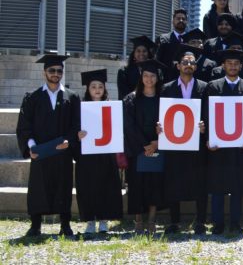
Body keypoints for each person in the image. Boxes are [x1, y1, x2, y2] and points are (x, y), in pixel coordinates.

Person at [16, 53, 79, 238]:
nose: (56, 73)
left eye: (59, 70)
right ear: (45, 72)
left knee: (64, 187)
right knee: (38, 187)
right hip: (41, 153)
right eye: (52, 70)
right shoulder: (33, 97)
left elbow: (76, 123)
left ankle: (65, 225)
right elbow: (24, 125)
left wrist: (69, 140)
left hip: (63, 153)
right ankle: (35, 225)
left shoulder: (72, 97)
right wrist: (31, 147)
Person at [204, 48, 243, 235]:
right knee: (217, 186)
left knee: (237, 186)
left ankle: (235, 222)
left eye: (236, 64)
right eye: (229, 63)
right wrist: (208, 139)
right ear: (223, 65)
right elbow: (207, 115)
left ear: (241, 66)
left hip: (239, 147)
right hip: (219, 146)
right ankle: (218, 223)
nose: (233, 66)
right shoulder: (213, 86)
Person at [159, 46, 210, 235]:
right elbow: (163, 115)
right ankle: (174, 222)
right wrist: (160, 126)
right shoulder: (167, 88)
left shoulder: (205, 88)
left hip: (197, 143)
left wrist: (206, 128)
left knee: (200, 182)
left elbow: (209, 114)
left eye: (192, 62)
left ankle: (200, 222)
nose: (188, 65)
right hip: (174, 143)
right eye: (185, 62)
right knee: (174, 181)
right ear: (178, 65)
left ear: (195, 67)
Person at [73, 69, 124, 236]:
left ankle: (103, 220)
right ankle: (90, 221)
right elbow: (73, 129)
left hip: (106, 154)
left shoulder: (111, 106)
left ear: (104, 89)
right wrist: (77, 135)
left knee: (106, 186)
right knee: (88, 187)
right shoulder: (80, 108)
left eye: (100, 86)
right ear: (88, 89)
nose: (96, 89)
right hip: (86, 155)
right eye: (93, 86)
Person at [122, 59, 166, 234]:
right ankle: (138, 221)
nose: (149, 79)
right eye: (146, 75)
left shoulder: (163, 99)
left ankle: (152, 221)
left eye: (152, 75)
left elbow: (169, 123)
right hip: (137, 149)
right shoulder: (131, 98)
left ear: (157, 78)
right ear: (141, 77)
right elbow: (128, 125)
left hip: (158, 146)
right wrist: (145, 145)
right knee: (136, 186)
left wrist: (157, 142)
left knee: (154, 184)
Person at [118, 35, 155, 99]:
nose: (141, 54)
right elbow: (123, 95)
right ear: (134, 53)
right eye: (138, 51)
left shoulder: (155, 71)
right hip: (132, 105)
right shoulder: (124, 72)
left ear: (148, 53)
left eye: (144, 51)